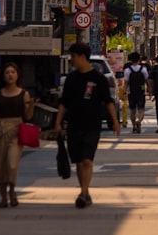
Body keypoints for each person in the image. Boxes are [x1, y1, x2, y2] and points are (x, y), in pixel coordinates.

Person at [55, 42, 121, 208]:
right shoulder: (72, 78)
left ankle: (84, 192)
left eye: (73, 57)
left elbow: (108, 101)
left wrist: (115, 121)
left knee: (87, 160)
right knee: (78, 161)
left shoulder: (99, 78)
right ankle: (85, 192)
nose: (71, 60)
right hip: (74, 124)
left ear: (82, 57)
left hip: (92, 124)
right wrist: (57, 122)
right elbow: (64, 103)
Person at [0, 62, 35, 208]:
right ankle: (4, 198)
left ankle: (12, 192)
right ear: (3, 76)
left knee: (12, 164)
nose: (10, 75)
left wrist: (31, 105)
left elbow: (28, 116)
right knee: (0, 165)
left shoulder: (24, 94)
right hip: (0, 130)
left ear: (17, 75)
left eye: (13, 72)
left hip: (16, 131)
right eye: (7, 72)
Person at [123, 52, 151, 133]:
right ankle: (139, 121)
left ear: (131, 60)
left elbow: (126, 83)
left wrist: (124, 93)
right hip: (141, 93)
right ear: (139, 59)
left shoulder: (127, 70)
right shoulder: (143, 69)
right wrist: (149, 90)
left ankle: (134, 126)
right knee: (141, 110)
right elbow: (147, 81)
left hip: (131, 93)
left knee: (132, 111)